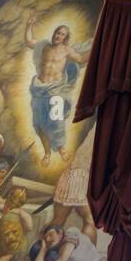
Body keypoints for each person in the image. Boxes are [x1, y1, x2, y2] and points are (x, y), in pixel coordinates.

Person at [26, 20, 91, 166]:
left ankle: (61, 147)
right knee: (39, 123)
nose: (58, 35)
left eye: (62, 34)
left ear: (65, 38)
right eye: (57, 32)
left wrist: (97, 47)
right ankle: (47, 152)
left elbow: (80, 58)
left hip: (55, 89)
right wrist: (28, 25)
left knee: (56, 113)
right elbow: (29, 41)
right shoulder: (44, 46)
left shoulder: (66, 50)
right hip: (39, 89)